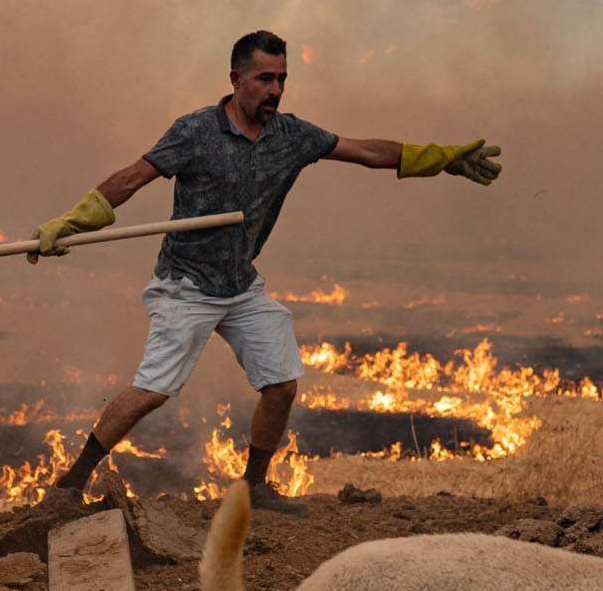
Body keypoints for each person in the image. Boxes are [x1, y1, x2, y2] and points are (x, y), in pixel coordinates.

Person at [31, 30, 501, 515]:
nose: (274, 90)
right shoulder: (195, 131)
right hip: (186, 286)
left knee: (281, 385)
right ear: (236, 79)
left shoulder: (290, 137)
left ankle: (253, 486)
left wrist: (441, 158)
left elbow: (365, 152)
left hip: (241, 284)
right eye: (263, 79)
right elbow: (132, 177)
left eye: (281, 79)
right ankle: (71, 482)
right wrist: (73, 220)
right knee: (152, 391)